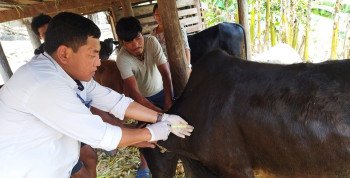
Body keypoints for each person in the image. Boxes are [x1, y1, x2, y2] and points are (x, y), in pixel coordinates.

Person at [0, 12, 194, 177]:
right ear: (64, 54)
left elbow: (116, 102)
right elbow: (100, 135)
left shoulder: (70, 74)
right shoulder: (43, 84)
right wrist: (152, 132)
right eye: (92, 55)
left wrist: (162, 117)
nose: (99, 62)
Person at [116, 16, 175, 178]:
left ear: (142, 35)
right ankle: (144, 163)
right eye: (129, 42)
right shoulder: (122, 59)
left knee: (176, 123)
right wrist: (159, 113)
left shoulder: (151, 42)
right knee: (142, 130)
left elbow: (165, 73)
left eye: (138, 38)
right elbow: (134, 93)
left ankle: (177, 154)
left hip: (163, 92)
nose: (136, 45)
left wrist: (168, 102)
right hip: (142, 100)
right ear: (121, 42)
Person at [151, 3, 192, 75]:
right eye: (157, 14)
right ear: (154, 16)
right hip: (161, 69)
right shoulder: (152, 33)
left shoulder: (178, 29)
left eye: (162, 14)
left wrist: (188, 67)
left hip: (178, 66)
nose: (160, 17)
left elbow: (186, 49)